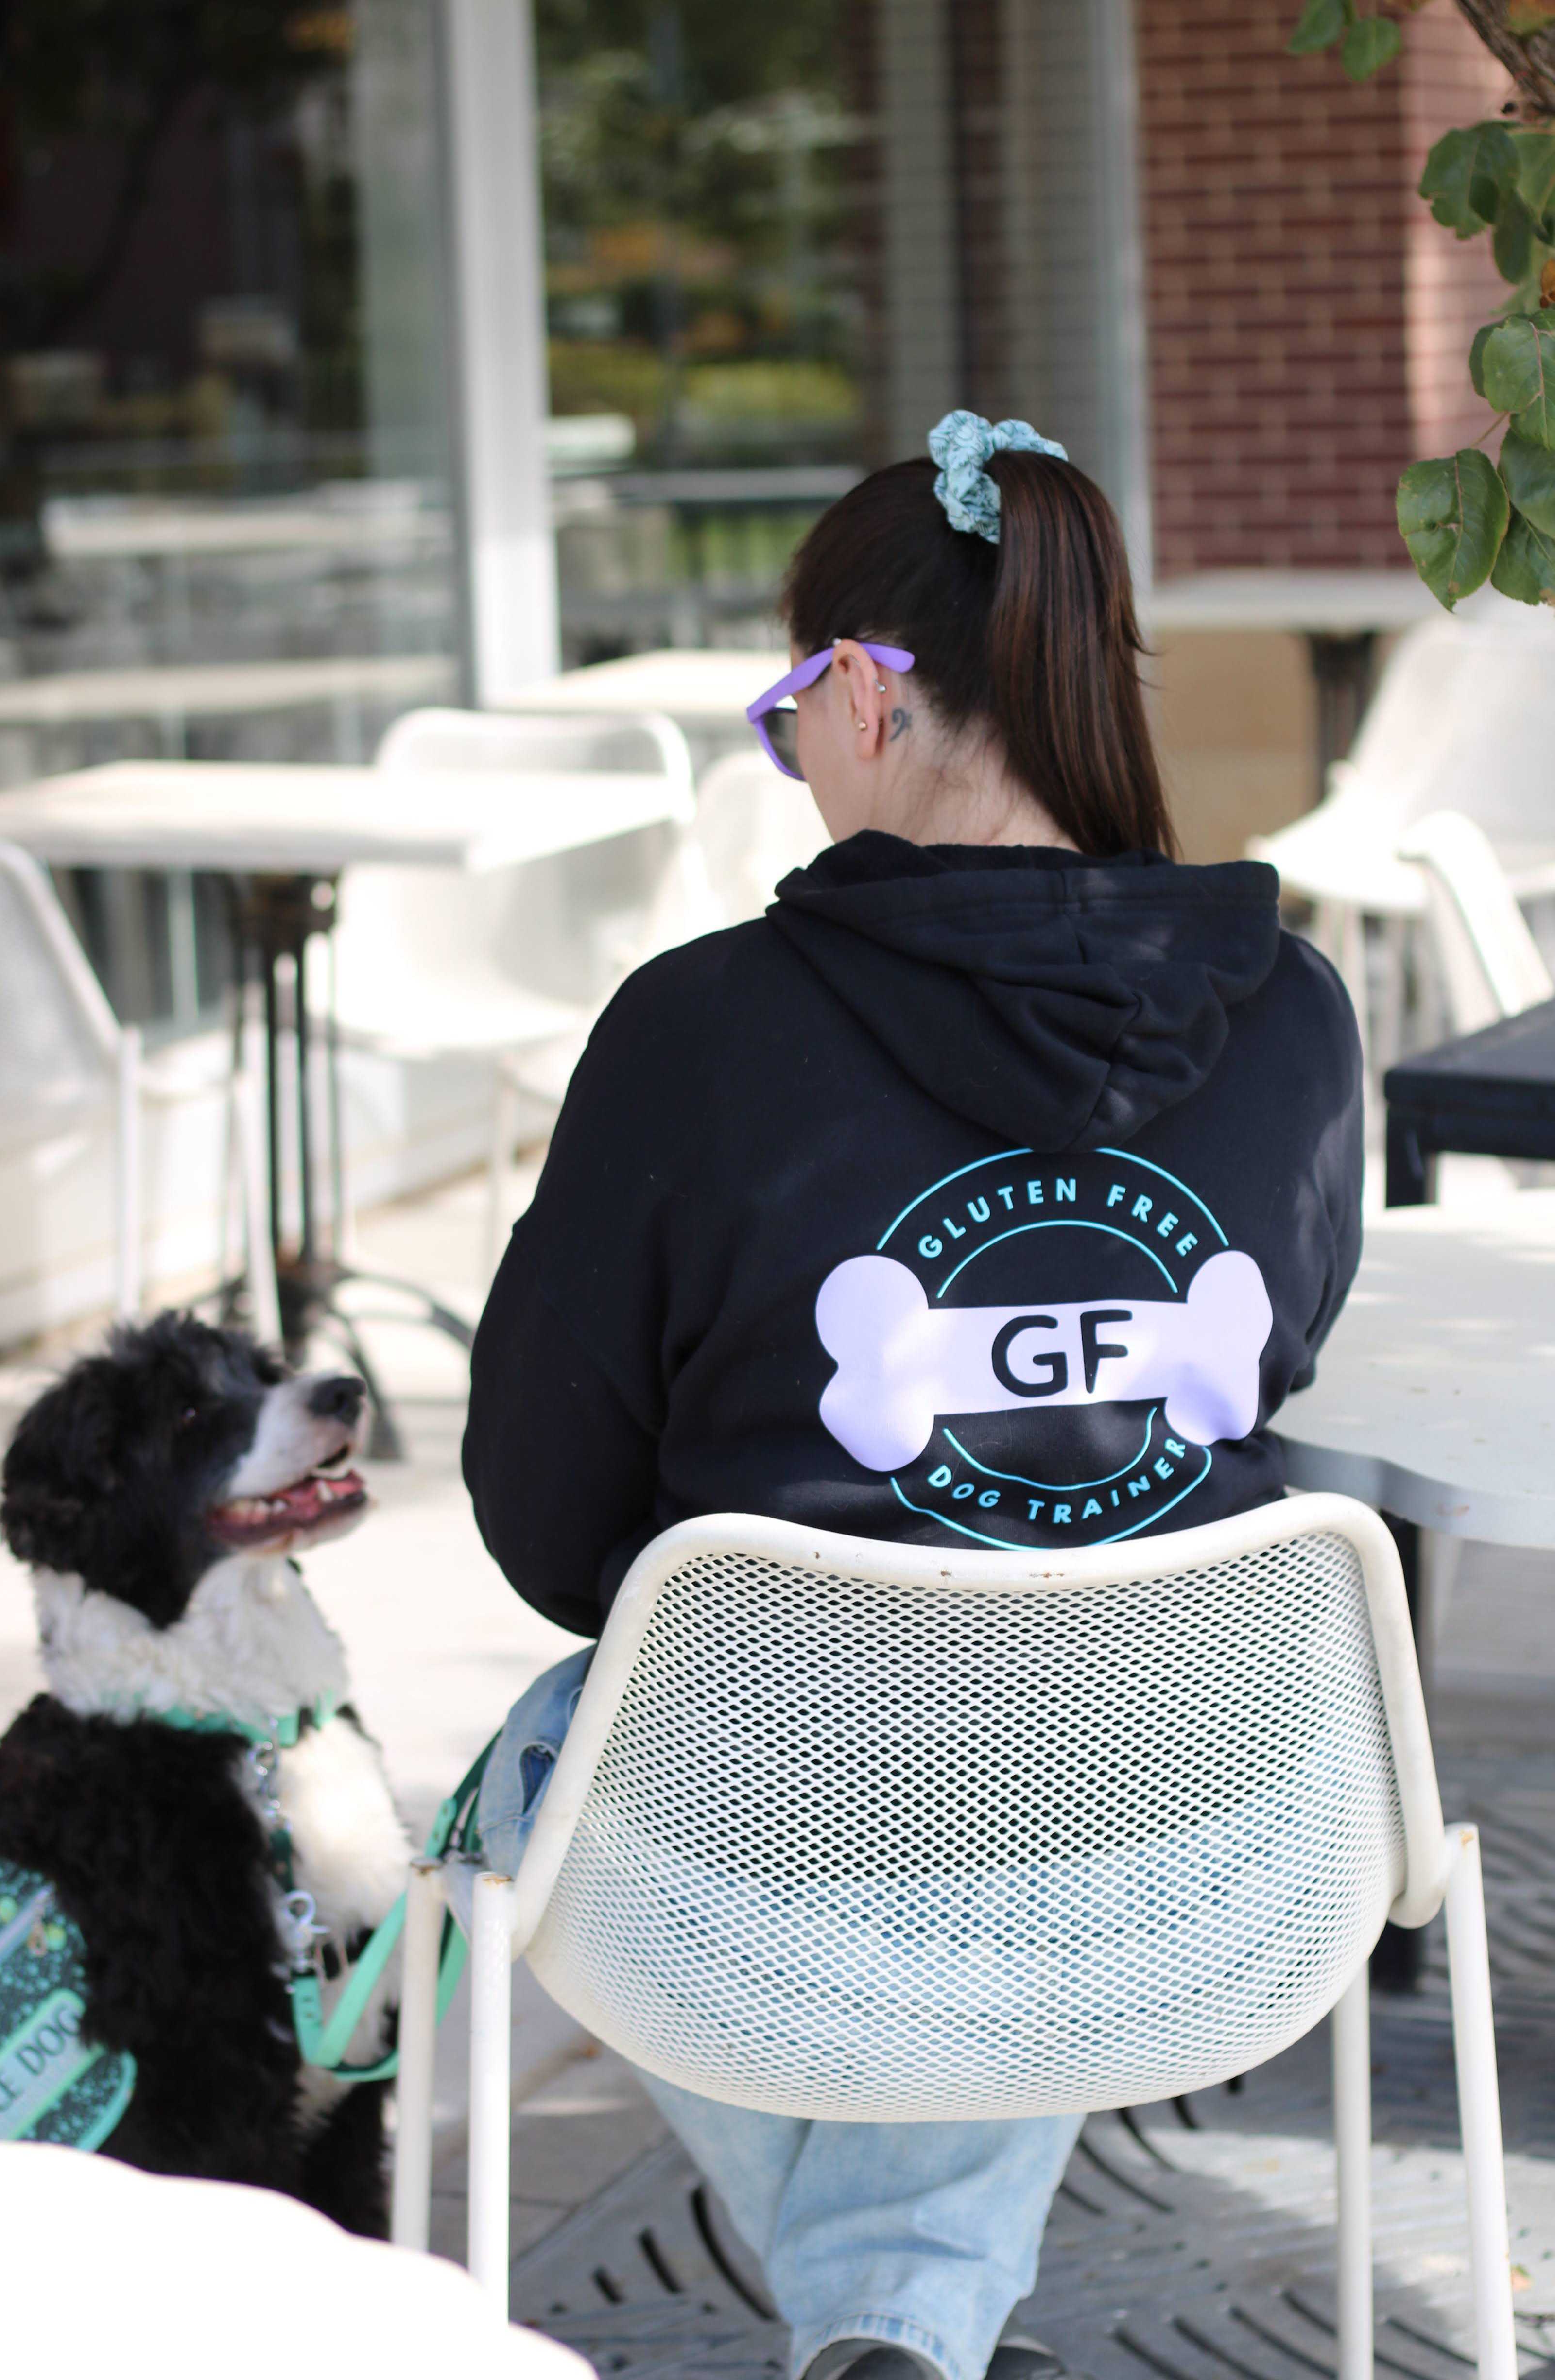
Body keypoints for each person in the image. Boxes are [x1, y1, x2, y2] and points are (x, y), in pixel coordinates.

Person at [460, 412, 1364, 2380]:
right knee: (1022, 1739)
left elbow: (542, 1522)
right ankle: (899, 2330)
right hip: (1208, 1854)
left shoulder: (695, 1033)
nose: (790, 763)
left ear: (861, 692)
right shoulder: (1295, 1014)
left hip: (773, 1856)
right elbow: (1260, 1376)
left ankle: (888, 2327)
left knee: (546, 1764)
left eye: (792, 711)